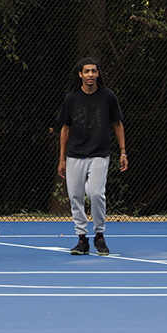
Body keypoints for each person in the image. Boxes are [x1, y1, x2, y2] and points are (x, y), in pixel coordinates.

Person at [56, 57, 127, 256]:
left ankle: (99, 235)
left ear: (98, 74)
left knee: (96, 193)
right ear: (80, 74)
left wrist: (123, 152)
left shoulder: (108, 96)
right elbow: (65, 128)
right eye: (86, 71)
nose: (90, 75)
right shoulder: (71, 98)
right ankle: (81, 239)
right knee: (75, 197)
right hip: (74, 155)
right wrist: (62, 159)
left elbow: (118, 124)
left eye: (93, 71)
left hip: (99, 154)